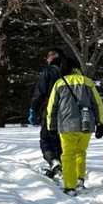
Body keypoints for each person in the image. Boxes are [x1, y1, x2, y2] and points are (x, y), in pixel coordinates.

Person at [45, 53, 103, 195]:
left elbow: (52, 107)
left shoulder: (59, 84)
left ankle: (69, 186)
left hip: (66, 125)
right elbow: (98, 104)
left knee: (68, 155)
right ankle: (80, 179)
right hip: (86, 124)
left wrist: (51, 125)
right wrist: (100, 123)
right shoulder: (87, 82)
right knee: (81, 153)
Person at [29, 49, 64, 178]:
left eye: (49, 56)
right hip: (68, 110)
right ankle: (62, 162)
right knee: (61, 138)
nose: (47, 59)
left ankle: (53, 161)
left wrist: (33, 109)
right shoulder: (70, 71)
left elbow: (40, 92)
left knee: (45, 138)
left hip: (49, 108)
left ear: (52, 57)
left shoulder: (48, 71)